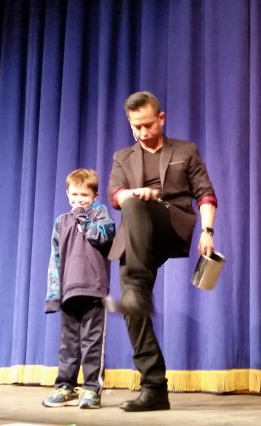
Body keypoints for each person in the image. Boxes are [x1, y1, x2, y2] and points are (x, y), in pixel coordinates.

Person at [107, 91, 217, 412]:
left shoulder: (185, 150)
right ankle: (155, 388)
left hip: (170, 223)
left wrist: (208, 232)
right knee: (132, 305)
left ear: (161, 118)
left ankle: (136, 284)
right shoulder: (122, 157)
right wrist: (132, 193)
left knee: (139, 207)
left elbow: (205, 193)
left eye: (147, 125)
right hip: (137, 234)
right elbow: (115, 196)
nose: (142, 132)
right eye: (135, 127)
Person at [42, 169, 115, 409]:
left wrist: (84, 217)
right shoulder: (61, 221)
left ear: (94, 195)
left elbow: (105, 237)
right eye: (74, 194)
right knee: (69, 344)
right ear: (67, 194)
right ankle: (65, 386)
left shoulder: (100, 214)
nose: (78, 199)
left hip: (93, 291)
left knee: (92, 344)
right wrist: (54, 295)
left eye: (84, 194)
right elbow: (55, 259)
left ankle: (92, 389)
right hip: (69, 291)